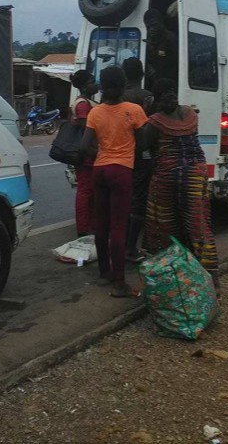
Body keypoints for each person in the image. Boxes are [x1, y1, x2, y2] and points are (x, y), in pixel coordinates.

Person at [142, 78, 220, 292]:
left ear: (154, 98)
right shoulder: (190, 115)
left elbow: (141, 146)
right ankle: (211, 284)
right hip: (196, 173)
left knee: (164, 225)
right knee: (198, 225)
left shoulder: (155, 122)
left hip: (168, 176)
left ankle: (172, 281)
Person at [78, 66, 148, 298]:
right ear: (124, 83)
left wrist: (101, 151)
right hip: (121, 170)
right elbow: (144, 142)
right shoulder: (134, 110)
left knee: (102, 223)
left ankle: (105, 272)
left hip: (100, 169)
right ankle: (120, 283)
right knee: (119, 226)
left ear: (102, 86)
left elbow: (84, 146)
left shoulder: (95, 112)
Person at [121, 57, 154, 261]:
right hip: (140, 155)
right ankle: (131, 248)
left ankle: (119, 244)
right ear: (142, 74)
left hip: (119, 154)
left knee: (121, 201)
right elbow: (147, 129)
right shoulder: (146, 97)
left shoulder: (116, 97)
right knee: (138, 201)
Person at [68, 70, 99, 237]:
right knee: (85, 190)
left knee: (89, 190)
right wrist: (95, 150)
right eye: (93, 81)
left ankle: (90, 224)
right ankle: (84, 227)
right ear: (85, 85)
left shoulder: (84, 101)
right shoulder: (83, 104)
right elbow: (86, 130)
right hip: (86, 154)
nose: (96, 84)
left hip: (87, 153)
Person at [144, 8, 178, 86]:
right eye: (148, 27)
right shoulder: (149, 40)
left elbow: (176, 65)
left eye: (154, 25)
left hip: (169, 84)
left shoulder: (171, 39)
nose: (151, 29)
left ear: (161, 22)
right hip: (155, 83)